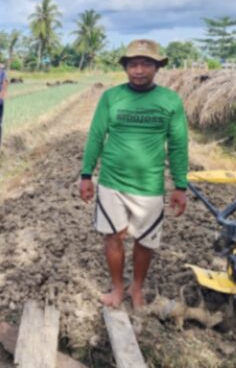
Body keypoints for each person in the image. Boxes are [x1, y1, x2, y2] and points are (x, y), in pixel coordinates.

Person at [79, 39, 188, 309]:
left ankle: (136, 288)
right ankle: (117, 288)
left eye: (146, 64)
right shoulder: (112, 97)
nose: (139, 70)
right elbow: (96, 136)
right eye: (133, 64)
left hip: (149, 185)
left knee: (145, 240)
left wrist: (180, 185)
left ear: (157, 67)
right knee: (113, 237)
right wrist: (85, 175)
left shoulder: (169, 100)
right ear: (126, 67)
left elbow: (178, 144)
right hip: (111, 182)